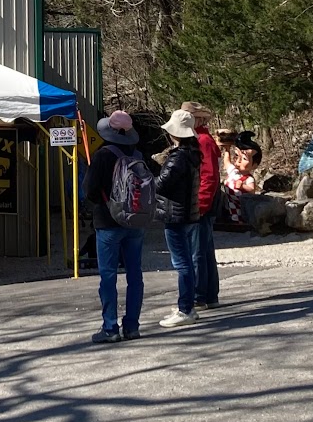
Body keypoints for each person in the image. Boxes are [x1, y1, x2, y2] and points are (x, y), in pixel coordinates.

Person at [84, 109, 147, 343]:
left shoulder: (102, 156)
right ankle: (132, 325)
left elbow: (89, 190)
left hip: (108, 221)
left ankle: (110, 327)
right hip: (135, 220)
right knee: (135, 274)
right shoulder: (139, 154)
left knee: (108, 275)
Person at [153, 108, 202, 328]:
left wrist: (153, 173)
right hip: (188, 214)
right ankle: (188, 304)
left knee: (181, 264)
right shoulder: (193, 154)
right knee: (188, 262)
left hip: (176, 215)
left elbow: (161, 185)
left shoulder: (178, 158)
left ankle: (185, 309)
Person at [182, 100, 223, 310]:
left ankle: (200, 295)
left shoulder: (202, 141)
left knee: (197, 251)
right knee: (204, 250)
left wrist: (200, 203)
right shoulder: (203, 139)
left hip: (202, 203)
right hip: (206, 201)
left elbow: (208, 176)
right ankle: (209, 294)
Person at [222, 131, 263, 227]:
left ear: (254, 165)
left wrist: (243, 186)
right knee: (230, 209)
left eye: (244, 158)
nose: (238, 160)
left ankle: (241, 222)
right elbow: (227, 163)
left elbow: (252, 190)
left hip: (241, 204)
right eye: (237, 156)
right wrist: (227, 150)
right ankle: (231, 219)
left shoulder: (248, 178)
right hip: (230, 201)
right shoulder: (233, 171)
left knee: (240, 212)